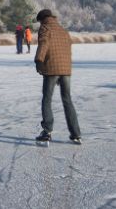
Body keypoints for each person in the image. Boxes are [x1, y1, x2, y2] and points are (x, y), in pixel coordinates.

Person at [33, 9, 81, 144]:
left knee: (47, 99)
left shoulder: (45, 28)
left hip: (51, 68)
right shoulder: (63, 30)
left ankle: (47, 131)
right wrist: (64, 69)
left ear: (42, 19)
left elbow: (44, 44)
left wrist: (39, 61)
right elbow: (67, 48)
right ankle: (76, 134)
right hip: (65, 69)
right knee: (67, 100)